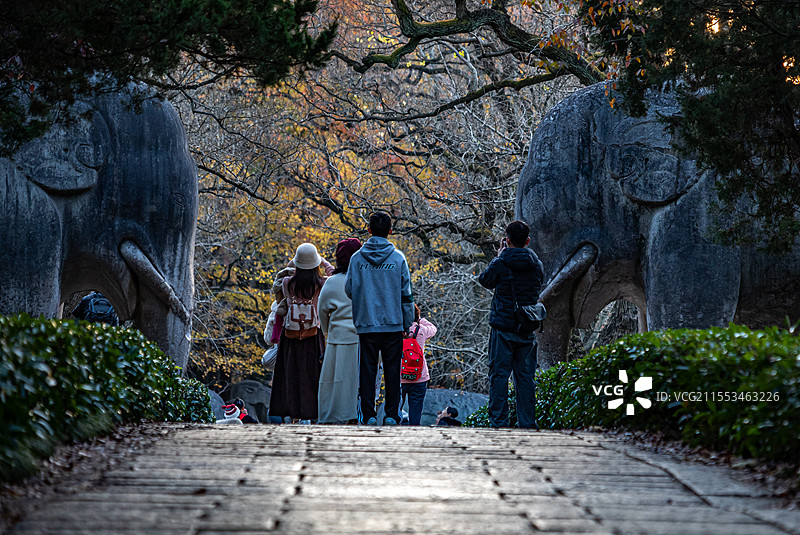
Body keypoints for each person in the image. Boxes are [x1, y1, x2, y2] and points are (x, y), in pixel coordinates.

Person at [345, 212, 414, 426]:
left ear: (369, 230)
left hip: (366, 324)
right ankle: (392, 415)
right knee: (393, 372)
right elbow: (406, 294)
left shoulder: (357, 259)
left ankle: (368, 415)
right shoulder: (398, 258)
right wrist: (407, 322)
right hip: (393, 324)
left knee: (367, 371)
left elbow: (348, 289)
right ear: (390, 232)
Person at [478, 220, 544, 429]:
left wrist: (499, 256)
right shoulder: (537, 264)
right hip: (527, 328)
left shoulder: (501, 263)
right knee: (525, 379)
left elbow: (485, 280)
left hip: (502, 329)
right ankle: (527, 423)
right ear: (528, 241)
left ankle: (499, 423)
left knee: (499, 377)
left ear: (507, 240)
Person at [269, 243, 334, 423]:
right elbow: (334, 274)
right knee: (313, 376)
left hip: (290, 336)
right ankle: (313, 414)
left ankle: (293, 414)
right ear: (315, 264)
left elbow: (286, 271)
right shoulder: (322, 284)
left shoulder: (287, 283)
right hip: (313, 336)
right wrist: (323, 261)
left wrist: (296, 261)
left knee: (291, 374)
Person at [317, 238, 362, 424]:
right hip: (361, 340)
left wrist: (329, 332)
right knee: (357, 384)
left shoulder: (332, 282)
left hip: (336, 339)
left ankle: (330, 418)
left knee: (332, 384)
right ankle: (355, 417)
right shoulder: (364, 280)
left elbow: (322, 312)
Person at [400, 304, 437, 426]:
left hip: (399, 378)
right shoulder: (421, 330)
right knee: (415, 415)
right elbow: (433, 328)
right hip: (419, 378)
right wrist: (419, 319)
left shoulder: (394, 331)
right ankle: (414, 436)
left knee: (394, 412)